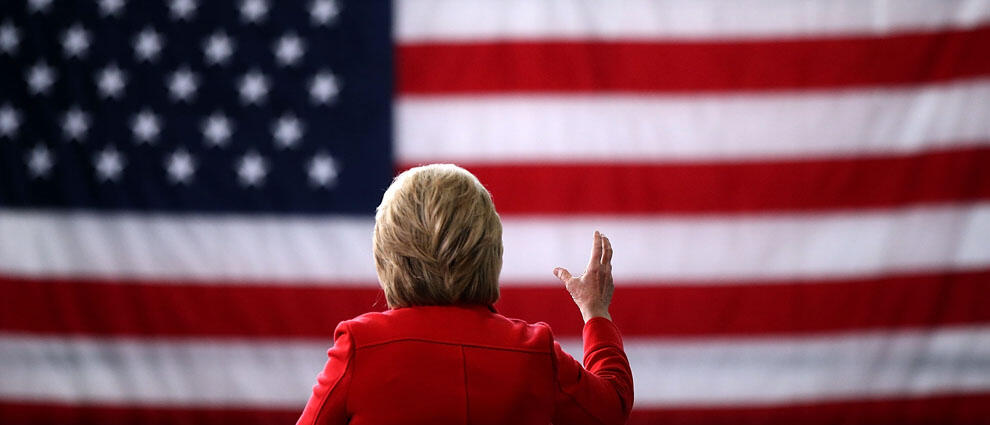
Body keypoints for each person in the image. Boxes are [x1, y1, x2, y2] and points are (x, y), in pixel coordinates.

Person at [296, 164, 633, 425]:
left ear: (388, 255)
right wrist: (595, 310)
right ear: (491, 251)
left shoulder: (360, 346)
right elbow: (611, 407)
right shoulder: (533, 351)